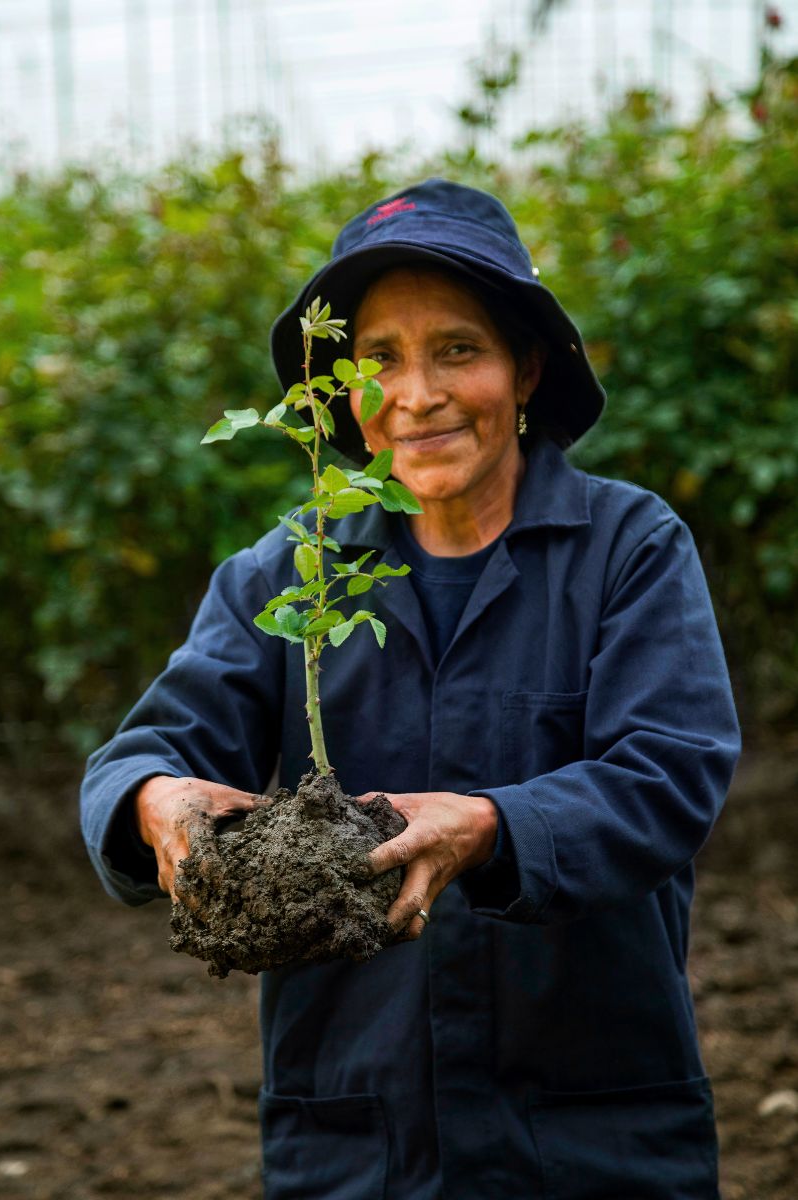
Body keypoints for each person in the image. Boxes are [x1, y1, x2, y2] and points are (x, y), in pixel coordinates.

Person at [80, 179, 741, 1199]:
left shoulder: (627, 549)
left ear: (525, 368)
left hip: (591, 1135)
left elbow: (671, 775)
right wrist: (153, 803)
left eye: (458, 351)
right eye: (377, 358)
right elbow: (143, 752)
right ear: (341, 393)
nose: (417, 393)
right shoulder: (287, 572)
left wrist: (488, 825)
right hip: (355, 1140)